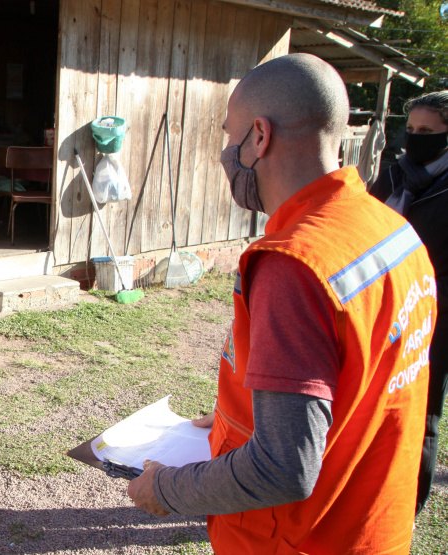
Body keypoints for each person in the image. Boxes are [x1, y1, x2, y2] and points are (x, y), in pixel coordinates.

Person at [127, 53, 436, 554]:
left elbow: (284, 467)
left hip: (303, 539)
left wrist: (165, 488)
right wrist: (238, 415)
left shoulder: (293, 264)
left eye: (230, 137)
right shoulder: (390, 230)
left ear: (259, 136)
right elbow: (355, 375)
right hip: (374, 527)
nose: (227, 154)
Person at [369, 90, 448, 516]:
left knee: (421, 410)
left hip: (432, 312)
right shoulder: (395, 174)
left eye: (428, 132)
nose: (415, 139)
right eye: (412, 130)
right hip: (383, 304)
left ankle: (404, 505)